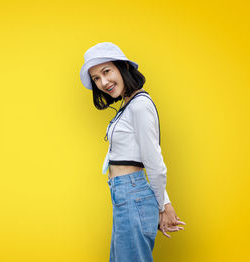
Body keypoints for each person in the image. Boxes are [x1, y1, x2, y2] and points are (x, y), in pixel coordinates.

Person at [79, 42, 186, 261]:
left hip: (131, 195)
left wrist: (163, 205)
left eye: (106, 71)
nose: (103, 82)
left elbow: (154, 161)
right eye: (96, 78)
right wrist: (161, 201)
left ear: (124, 67)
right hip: (126, 195)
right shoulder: (129, 105)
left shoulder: (139, 105)